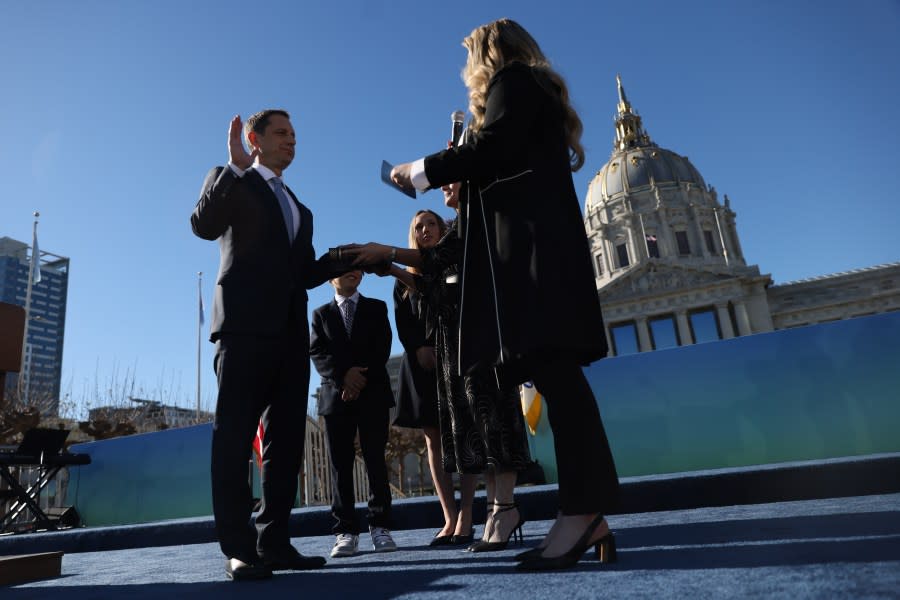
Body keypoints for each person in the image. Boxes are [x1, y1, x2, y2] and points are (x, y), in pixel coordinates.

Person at [352, 18, 621, 571]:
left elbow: (493, 147)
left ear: (487, 55)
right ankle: (586, 511)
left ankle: (584, 511)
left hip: (532, 258)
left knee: (561, 381)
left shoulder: (513, 83)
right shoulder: (531, 90)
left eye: (469, 58)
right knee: (560, 381)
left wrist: (418, 171)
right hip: (537, 254)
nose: (466, 72)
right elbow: (502, 162)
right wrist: (464, 180)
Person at [191, 109, 341, 580]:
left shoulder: (301, 208)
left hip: (291, 337)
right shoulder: (229, 179)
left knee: (286, 444)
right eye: (281, 133)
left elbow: (305, 272)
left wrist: (356, 256)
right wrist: (234, 168)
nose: (291, 141)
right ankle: (239, 550)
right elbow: (203, 224)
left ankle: (274, 542)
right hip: (242, 330)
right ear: (254, 139)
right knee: (234, 439)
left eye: (295, 134)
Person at [374, 179, 532, 553]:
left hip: (481, 340)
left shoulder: (474, 223)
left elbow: (439, 269)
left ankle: (503, 509)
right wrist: (394, 270)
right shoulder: (460, 227)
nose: (443, 187)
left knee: (493, 422)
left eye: (450, 181)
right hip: (457, 348)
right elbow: (430, 285)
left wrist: (385, 253)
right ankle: (497, 510)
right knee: (477, 428)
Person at [393, 209, 477, 547]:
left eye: (431, 224)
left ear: (443, 229)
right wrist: (417, 348)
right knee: (434, 439)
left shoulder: (456, 266)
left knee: (466, 433)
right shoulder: (403, 282)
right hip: (423, 367)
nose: (425, 229)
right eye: (418, 227)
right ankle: (449, 516)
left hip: (456, 359)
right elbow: (404, 322)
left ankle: (469, 514)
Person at [310, 269, 398, 557]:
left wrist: (358, 380)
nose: (352, 273)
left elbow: (382, 346)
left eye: (357, 269)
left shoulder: (377, 307)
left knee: (375, 459)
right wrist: (343, 377)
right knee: (340, 465)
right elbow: (319, 353)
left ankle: (380, 525)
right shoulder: (320, 314)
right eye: (344, 268)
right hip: (336, 398)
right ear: (330, 277)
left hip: (372, 393)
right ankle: (345, 531)